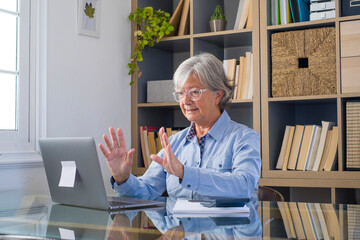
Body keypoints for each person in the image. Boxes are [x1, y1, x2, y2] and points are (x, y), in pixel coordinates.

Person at [99, 52, 261, 199]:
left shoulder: (244, 138)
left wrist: (184, 173)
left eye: (194, 92)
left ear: (218, 95)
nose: (185, 101)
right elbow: (146, 190)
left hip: (228, 230)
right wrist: (123, 178)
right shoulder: (174, 143)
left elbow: (244, 186)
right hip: (180, 229)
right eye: (181, 93)